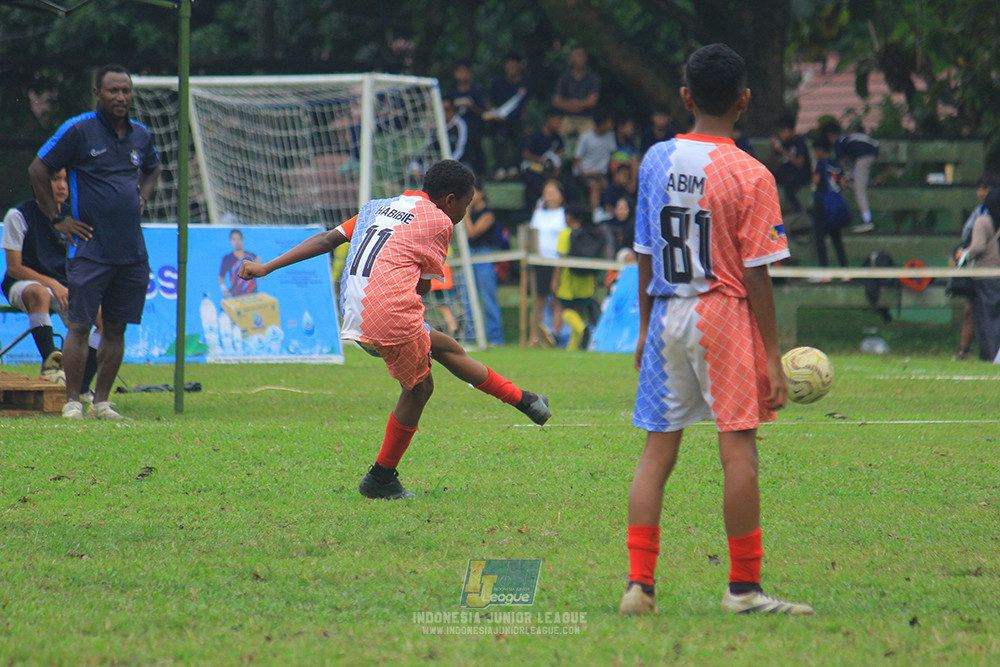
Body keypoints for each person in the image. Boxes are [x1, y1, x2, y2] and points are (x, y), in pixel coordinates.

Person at [619, 43, 812, 617]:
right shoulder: (752, 174)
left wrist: (644, 331)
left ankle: (639, 587)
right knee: (739, 455)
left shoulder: (655, 159)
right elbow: (756, 277)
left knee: (657, 454)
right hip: (721, 314)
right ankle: (744, 590)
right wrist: (772, 355)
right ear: (745, 101)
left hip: (666, 314)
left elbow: (646, 254)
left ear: (685, 97)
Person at [238, 160, 551, 499]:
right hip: (388, 312)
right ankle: (381, 478)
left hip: (355, 308)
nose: (465, 211)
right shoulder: (439, 220)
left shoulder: (380, 208)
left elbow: (328, 240)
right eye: (466, 203)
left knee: (445, 348)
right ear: (449, 200)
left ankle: (526, 400)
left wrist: (266, 267)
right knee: (419, 389)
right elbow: (423, 289)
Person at [28, 64, 162, 421]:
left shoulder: (141, 135)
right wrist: (58, 218)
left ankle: (101, 402)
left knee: (115, 327)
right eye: (113, 91)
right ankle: (72, 401)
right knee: (81, 324)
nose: (121, 97)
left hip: (132, 251)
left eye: (126, 91)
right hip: (89, 248)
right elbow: (38, 169)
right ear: (97, 94)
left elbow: (153, 168)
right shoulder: (79, 130)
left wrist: (142, 197)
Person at [2, 168, 101, 396]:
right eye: (55, 179)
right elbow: (14, 268)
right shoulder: (19, 215)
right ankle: (51, 365)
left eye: (66, 180)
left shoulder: (73, 216)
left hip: (63, 287)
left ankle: (81, 388)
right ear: (39, 184)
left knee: (105, 319)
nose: (62, 185)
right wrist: (52, 283)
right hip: (23, 283)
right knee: (41, 293)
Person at [954, 174, 1000, 360]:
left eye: (986, 189)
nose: (981, 193)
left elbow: (978, 246)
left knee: (985, 318)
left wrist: (963, 255)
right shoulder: (980, 215)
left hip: (983, 274)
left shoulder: (983, 219)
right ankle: (967, 351)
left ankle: (990, 354)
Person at [552, 203, 598, 351]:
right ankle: (572, 347)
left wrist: (555, 280)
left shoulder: (565, 234)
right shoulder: (589, 233)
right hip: (586, 280)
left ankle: (582, 327)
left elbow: (561, 259)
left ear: (568, 217)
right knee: (578, 310)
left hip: (569, 279)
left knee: (564, 309)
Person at [528, 179, 567, 347]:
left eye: (553, 193)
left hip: (558, 261)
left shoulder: (564, 214)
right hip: (540, 262)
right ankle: (534, 337)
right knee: (539, 301)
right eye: (547, 193)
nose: (550, 197)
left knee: (558, 300)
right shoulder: (538, 214)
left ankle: (556, 337)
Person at [465, 183, 505, 345]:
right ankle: (471, 335)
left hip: (485, 256)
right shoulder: (469, 212)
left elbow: (472, 232)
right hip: (470, 256)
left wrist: (465, 214)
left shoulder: (488, 214)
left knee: (489, 298)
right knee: (467, 298)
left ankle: (496, 337)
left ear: (480, 193)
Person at [823, 122, 879, 233]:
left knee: (859, 191)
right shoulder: (846, 139)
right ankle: (865, 183)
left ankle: (868, 221)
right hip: (872, 151)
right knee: (855, 184)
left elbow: (840, 163)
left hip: (864, 155)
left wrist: (842, 177)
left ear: (831, 136)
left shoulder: (839, 141)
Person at [486, 52, 531, 181]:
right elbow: (490, 104)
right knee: (500, 135)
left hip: (517, 122)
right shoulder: (497, 82)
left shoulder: (525, 83)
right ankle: (500, 168)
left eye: (514, 66)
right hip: (499, 121)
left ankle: (514, 168)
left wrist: (525, 121)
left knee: (520, 135)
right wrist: (492, 115)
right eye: (509, 66)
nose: (511, 69)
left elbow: (526, 106)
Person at [810, 138, 849, 270]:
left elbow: (816, 180)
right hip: (835, 206)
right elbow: (843, 184)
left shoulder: (821, 163)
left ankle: (824, 271)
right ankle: (844, 271)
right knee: (837, 240)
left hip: (822, 204)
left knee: (820, 239)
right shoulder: (837, 164)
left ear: (819, 150)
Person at [521, 107, 565, 219]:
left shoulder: (558, 138)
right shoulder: (536, 135)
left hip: (551, 173)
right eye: (556, 120)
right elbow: (526, 154)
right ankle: (531, 214)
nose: (558, 124)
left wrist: (554, 171)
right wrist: (541, 160)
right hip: (535, 171)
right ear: (548, 120)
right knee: (532, 183)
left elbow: (559, 157)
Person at [445, 61, 487, 177]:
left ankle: (479, 174)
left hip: (473, 128)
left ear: (469, 74)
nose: (462, 75)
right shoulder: (452, 92)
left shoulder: (476, 92)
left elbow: (482, 113)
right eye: (459, 72)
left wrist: (471, 106)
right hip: (455, 128)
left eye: (465, 72)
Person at [552, 45, 601, 140]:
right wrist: (579, 105)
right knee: (558, 134)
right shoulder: (564, 79)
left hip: (587, 119)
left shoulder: (593, 79)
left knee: (590, 138)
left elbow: (591, 102)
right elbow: (556, 102)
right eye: (576, 56)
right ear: (570, 59)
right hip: (568, 117)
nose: (579, 59)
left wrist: (571, 103)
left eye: (581, 55)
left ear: (585, 58)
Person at [573, 108, 616, 212]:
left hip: (601, 173)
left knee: (606, 185)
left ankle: (607, 213)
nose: (612, 124)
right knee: (594, 186)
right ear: (602, 123)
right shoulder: (586, 137)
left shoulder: (610, 136)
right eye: (609, 122)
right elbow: (576, 158)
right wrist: (584, 172)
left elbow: (612, 155)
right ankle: (595, 214)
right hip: (585, 173)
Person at [769, 116, 811, 214]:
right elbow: (772, 160)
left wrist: (783, 151)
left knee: (789, 185)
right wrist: (773, 147)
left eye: (783, 131)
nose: (781, 134)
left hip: (800, 174)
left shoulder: (799, 142)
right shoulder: (783, 143)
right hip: (786, 172)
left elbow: (799, 163)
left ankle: (799, 210)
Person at [219, 229, 260, 298]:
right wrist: (224, 290)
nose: (236, 242)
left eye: (238, 239)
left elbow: (262, 275)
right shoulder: (227, 259)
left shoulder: (252, 256)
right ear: (231, 241)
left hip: (253, 295)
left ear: (242, 240)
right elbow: (221, 277)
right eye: (234, 239)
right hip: (237, 297)